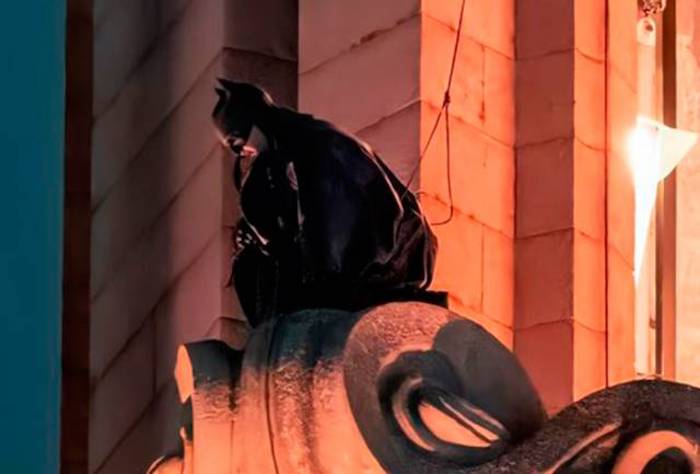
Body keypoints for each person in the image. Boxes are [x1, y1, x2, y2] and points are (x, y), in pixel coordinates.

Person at [212, 80, 441, 326]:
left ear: (255, 120)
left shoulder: (316, 144)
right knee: (250, 265)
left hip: (383, 255)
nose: (240, 151)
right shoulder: (278, 159)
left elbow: (338, 220)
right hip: (338, 257)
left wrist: (316, 272)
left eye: (237, 140)